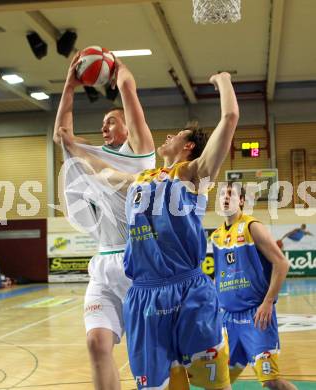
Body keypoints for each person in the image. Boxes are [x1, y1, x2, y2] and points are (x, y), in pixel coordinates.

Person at [58, 71, 239, 390]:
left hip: (188, 288)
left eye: (176, 135)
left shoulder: (195, 175)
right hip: (145, 293)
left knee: (214, 385)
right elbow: (102, 171)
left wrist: (222, 80)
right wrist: (72, 146)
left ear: (189, 145)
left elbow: (230, 117)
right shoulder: (141, 180)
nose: (167, 137)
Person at [53, 53, 155, 390]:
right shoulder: (93, 156)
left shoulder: (141, 151)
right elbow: (62, 134)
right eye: (103, 123)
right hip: (104, 261)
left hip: (141, 264)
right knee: (96, 344)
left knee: (152, 357)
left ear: (127, 126)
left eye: (111, 120)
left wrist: (115, 66)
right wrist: (70, 84)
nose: (104, 126)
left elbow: (129, 91)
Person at [211, 182, 298, 390]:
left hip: (256, 316)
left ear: (241, 200)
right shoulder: (215, 236)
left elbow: (281, 263)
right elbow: (220, 276)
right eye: (221, 193)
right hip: (227, 319)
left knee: (271, 381)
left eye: (230, 194)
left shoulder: (252, 226)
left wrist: (268, 302)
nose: (225, 197)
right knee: (218, 380)